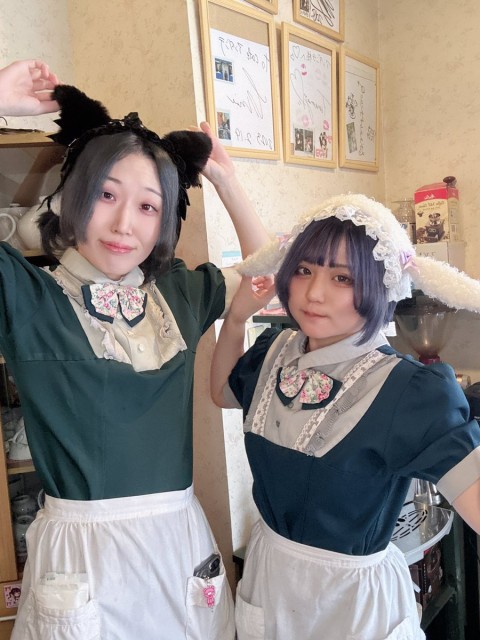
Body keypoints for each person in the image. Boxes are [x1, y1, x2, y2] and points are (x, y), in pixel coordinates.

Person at [0, 84, 270, 639]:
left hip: (179, 545)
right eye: (106, 194)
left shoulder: (179, 294)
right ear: (70, 197)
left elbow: (270, 276)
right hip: (84, 556)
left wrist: (226, 182)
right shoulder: (29, 297)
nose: (126, 223)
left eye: (149, 206)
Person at [210, 193, 480, 640]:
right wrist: (236, 319)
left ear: (381, 286)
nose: (314, 293)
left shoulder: (410, 390)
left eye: (342, 277)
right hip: (269, 576)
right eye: (304, 270)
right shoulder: (275, 352)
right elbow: (221, 393)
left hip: (350, 602)